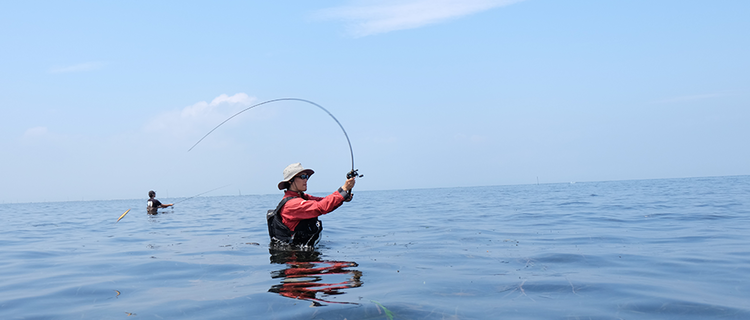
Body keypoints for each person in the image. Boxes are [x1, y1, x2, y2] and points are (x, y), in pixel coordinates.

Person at [267, 163, 355, 247]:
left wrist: (343, 196)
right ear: (291, 181)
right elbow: (321, 207)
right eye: (302, 177)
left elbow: (324, 201)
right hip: (296, 257)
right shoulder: (291, 205)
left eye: (307, 177)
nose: (306, 180)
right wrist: (344, 189)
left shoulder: (302, 197)